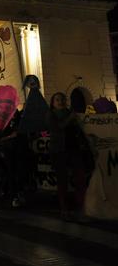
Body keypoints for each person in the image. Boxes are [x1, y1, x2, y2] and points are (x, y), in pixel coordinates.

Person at [45, 92, 88, 222]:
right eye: (57, 99)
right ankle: (64, 210)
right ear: (53, 102)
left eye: (63, 99)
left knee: (80, 179)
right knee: (62, 181)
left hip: (73, 149)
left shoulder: (70, 113)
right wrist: (70, 118)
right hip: (59, 150)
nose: (61, 101)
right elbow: (58, 127)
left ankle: (81, 208)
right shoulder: (50, 115)